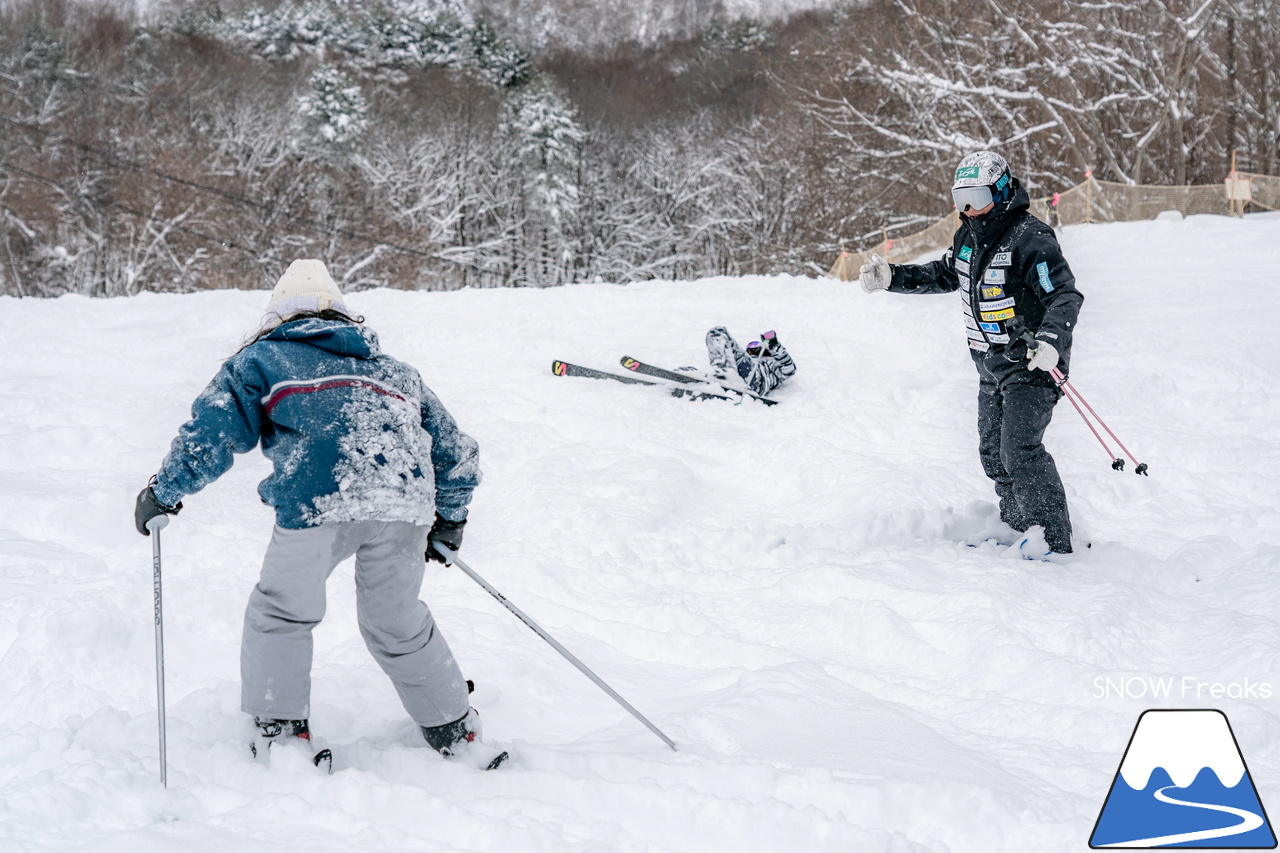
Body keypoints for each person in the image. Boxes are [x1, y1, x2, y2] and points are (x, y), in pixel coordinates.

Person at [133, 259, 497, 765]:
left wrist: (165, 490)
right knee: (397, 621)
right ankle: (454, 729)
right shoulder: (394, 371)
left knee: (282, 611)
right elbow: (454, 450)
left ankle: (281, 732)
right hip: (403, 501)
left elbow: (213, 430)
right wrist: (450, 517)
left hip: (319, 497)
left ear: (277, 315)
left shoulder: (263, 358)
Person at [858, 151, 1084, 555]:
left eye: (976, 197)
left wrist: (1050, 340)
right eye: (959, 197)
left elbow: (1064, 295)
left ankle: (1052, 540)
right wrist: (893, 277)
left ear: (1000, 191)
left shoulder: (1030, 238)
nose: (967, 209)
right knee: (993, 453)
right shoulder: (968, 237)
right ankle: (1021, 524)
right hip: (990, 368)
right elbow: (944, 274)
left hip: (1031, 366)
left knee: (1019, 449)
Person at [705, 326, 796, 397]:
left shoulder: (772, 363)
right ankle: (720, 371)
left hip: (757, 380)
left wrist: (774, 346)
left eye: (759, 349)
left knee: (745, 362)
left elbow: (789, 369)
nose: (755, 351)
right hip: (736, 370)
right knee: (717, 331)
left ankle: (726, 375)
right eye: (752, 350)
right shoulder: (744, 360)